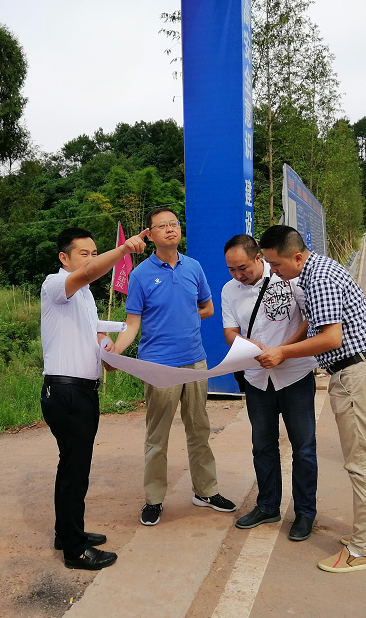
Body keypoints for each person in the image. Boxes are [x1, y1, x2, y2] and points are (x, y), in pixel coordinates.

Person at [255, 225, 366, 574]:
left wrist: (282, 353)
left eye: (276, 264)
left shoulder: (318, 278)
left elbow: (331, 338)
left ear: (296, 257)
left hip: (356, 375)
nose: (273, 271)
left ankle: (363, 550)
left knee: (362, 464)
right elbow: (341, 318)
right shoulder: (321, 269)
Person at [112, 207, 237, 526]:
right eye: (162, 226)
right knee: (158, 436)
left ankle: (205, 491)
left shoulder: (193, 267)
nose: (170, 229)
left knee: (199, 429)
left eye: (174, 224)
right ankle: (154, 499)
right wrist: (115, 352)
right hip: (159, 366)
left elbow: (207, 307)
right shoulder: (141, 275)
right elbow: (132, 324)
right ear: (150, 235)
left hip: (195, 361)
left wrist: (185, 317)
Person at [41, 226, 148, 570]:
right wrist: (124, 250)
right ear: (64, 258)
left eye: (94, 253)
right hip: (67, 391)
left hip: (81, 391)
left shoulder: (84, 295)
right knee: (75, 471)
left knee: (72, 467)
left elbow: (95, 334)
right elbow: (88, 273)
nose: (90, 259)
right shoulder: (56, 284)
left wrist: (107, 349)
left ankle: (66, 533)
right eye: (83, 254)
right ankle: (75, 551)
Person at [220, 235, 319, 541]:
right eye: (232, 269)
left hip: (295, 375)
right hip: (257, 379)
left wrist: (283, 351)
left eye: (243, 268)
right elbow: (229, 333)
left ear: (258, 258)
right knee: (262, 445)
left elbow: (309, 320)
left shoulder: (287, 278)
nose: (238, 275)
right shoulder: (229, 290)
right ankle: (267, 506)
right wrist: (250, 346)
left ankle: (305, 512)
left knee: (303, 447)